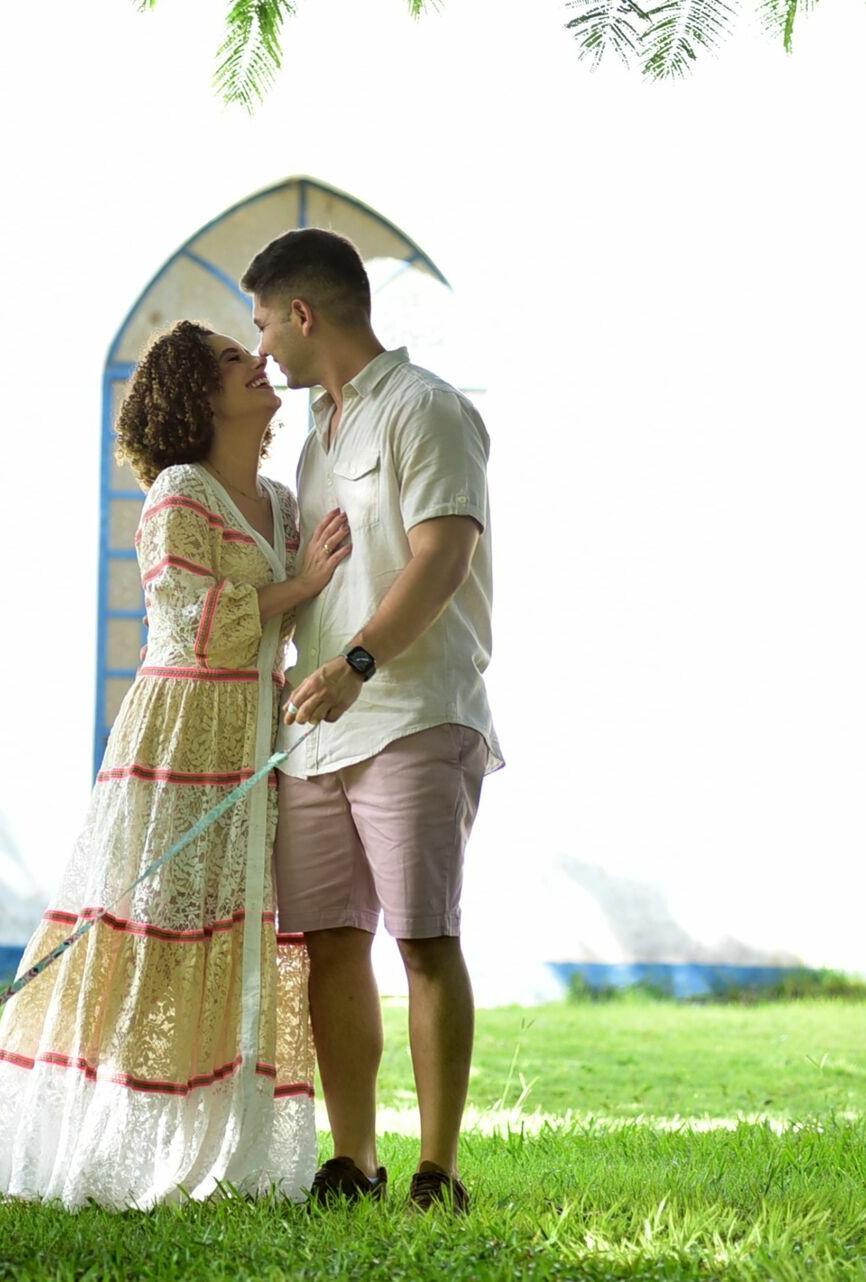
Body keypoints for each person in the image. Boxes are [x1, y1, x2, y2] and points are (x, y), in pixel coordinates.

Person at [0, 320, 352, 1210]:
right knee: (146, 936)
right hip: (176, 737)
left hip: (250, 733)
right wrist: (301, 588)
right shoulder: (177, 492)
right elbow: (202, 622)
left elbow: (272, 628)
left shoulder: (282, 503)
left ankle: (227, 1157)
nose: (259, 362)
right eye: (237, 361)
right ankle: (87, 1147)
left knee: (238, 935)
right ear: (199, 395)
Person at [243, 228, 504, 1214]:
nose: (259, 344)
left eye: (264, 322)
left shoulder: (426, 409)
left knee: (425, 941)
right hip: (319, 733)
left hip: (408, 712)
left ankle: (438, 1168)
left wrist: (357, 662)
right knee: (329, 942)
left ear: (304, 313)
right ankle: (354, 1158)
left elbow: (442, 554)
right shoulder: (316, 436)